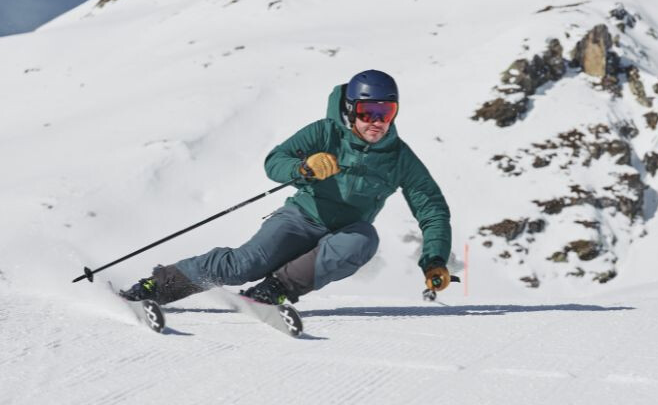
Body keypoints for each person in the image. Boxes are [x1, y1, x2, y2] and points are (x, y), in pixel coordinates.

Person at [119, 69, 453, 306]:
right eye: (368, 112)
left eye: (386, 112)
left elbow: (431, 207)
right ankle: (158, 285)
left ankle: (273, 290)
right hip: (301, 216)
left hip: (344, 232)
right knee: (243, 266)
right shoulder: (325, 132)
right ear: (351, 110)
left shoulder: (399, 157)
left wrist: (435, 259)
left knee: (364, 239)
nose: (376, 122)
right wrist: (303, 169)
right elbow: (275, 161)